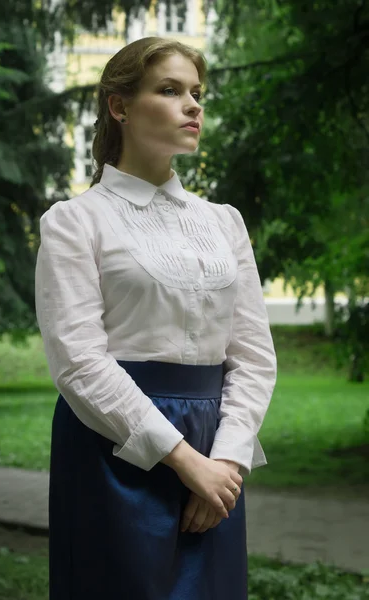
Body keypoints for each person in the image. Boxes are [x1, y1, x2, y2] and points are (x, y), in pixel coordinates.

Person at [35, 36, 277, 600]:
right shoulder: (75, 222)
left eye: (197, 92)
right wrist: (184, 462)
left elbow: (254, 355)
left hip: (216, 453)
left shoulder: (224, 222)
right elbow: (78, 362)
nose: (193, 105)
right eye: (170, 90)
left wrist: (225, 464)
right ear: (119, 106)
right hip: (113, 444)